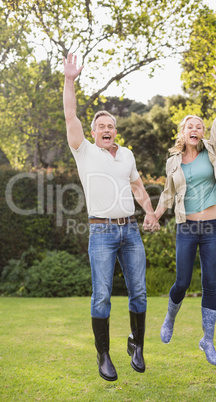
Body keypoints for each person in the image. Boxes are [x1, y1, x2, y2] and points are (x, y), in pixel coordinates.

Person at [63, 53, 159, 381]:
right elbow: (70, 115)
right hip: (101, 232)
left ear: (116, 131)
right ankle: (103, 355)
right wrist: (70, 80)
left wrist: (150, 213)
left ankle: (137, 345)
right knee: (102, 294)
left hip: (130, 231)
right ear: (92, 133)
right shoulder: (84, 150)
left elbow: (137, 186)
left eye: (111, 126)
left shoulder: (128, 154)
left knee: (140, 292)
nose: (107, 130)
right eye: (101, 126)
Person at [155, 62, 216, 366]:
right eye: (190, 126)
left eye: (199, 126)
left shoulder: (211, 150)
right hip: (186, 229)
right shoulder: (174, 163)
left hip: (211, 227)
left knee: (210, 283)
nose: (196, 129)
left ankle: (207, 341)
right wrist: (155, 214)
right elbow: (167, 194)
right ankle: (170, 319)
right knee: (183, 282)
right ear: (182, 134)